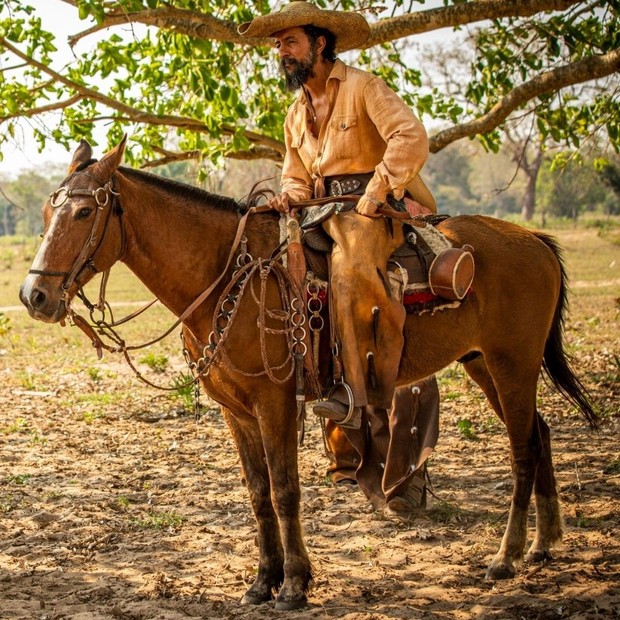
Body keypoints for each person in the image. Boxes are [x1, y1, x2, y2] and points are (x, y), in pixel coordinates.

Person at [238, 1, 440, 514]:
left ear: (320, 44)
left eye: (289, 43)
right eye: (277, 45)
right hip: (317, 211)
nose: (280, 53)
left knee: (350, 274)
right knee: (277, 277)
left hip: (376, 207)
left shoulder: (364, 87)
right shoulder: (294, 112)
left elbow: (410, 136)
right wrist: (287, 192)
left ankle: (359, 399)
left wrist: (377, 190)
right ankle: (325, 400)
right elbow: (294, 171)